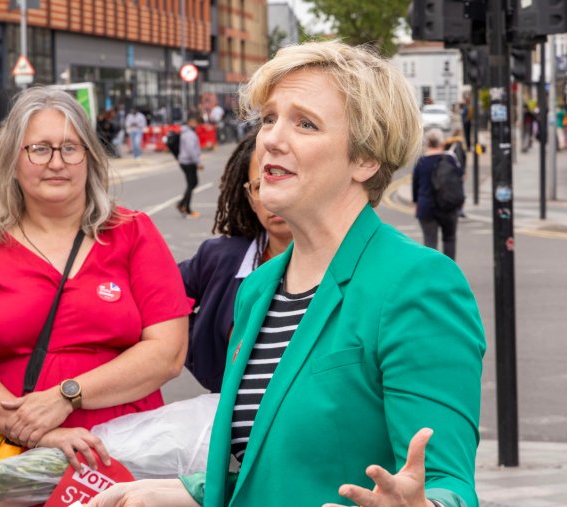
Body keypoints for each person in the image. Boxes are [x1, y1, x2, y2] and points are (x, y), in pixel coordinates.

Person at [88, 40, 485, 507]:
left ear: (364, 159)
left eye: (305, 123)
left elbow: (445, 480)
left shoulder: (417, 284)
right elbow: (275, 469)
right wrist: (192, 491)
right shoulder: (258, 288)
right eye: (269, 118)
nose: (272, 138)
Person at [0, 86, 192, 472]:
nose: (57, 162)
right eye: (40, 148)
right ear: (13, 161)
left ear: (89, 157)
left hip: (127, 453)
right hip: (16, 458)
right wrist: (36, 433)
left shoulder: (134, 233)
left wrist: (68, 396)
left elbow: (168, 353)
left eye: (71, 147)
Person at [179, 132, 292, 393]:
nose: (271, 197)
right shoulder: (220, 257)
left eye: (281, 178)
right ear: (249, 198)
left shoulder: (348, 264)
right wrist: (196, 344)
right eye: (259, 185)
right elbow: (159, 297)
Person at [413, 128, 464, 259]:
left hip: (426, 207)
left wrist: (416, 203)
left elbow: (415, 186)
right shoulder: (450, 159)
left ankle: (432, 276)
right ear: (441, 143)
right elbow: (460, 179)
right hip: (448, 206)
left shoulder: (421, 162)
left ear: (427, 143)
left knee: (430, 244)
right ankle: (449, 274)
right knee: (449, 239)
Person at [176, 116, 203, 218]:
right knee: (192, 183)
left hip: (185, 161)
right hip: (189, 162)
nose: (197, 125)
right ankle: (184, 207)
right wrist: (198, 162)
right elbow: (191, 150)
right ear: (191, 122)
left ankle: (183, 205)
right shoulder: (189, 134)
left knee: (192, 184)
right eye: (196, 123)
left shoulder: (185, 132)